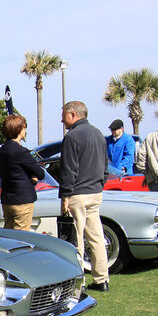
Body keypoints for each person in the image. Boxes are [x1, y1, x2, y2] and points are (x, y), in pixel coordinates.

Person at [59, 101, 110, 292]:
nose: (62, 119)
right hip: (95, 192)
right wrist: (100, 184)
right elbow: (105, 165)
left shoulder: (72, 137)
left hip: (77, 193)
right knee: (96, 237)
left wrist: (65, 195)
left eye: (64, 115)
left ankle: (78, 284)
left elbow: (68, 169)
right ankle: (101, 278)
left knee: (76, 239)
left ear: (73, 114)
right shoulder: (98, 134)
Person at [0, 114, 45, 230]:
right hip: (22, 199)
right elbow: (40, 173)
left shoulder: (1, 151)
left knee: (9, 234)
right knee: (21, 236)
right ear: (19, 129)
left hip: (7, 199)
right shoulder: (21, 151)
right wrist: (32, 177)